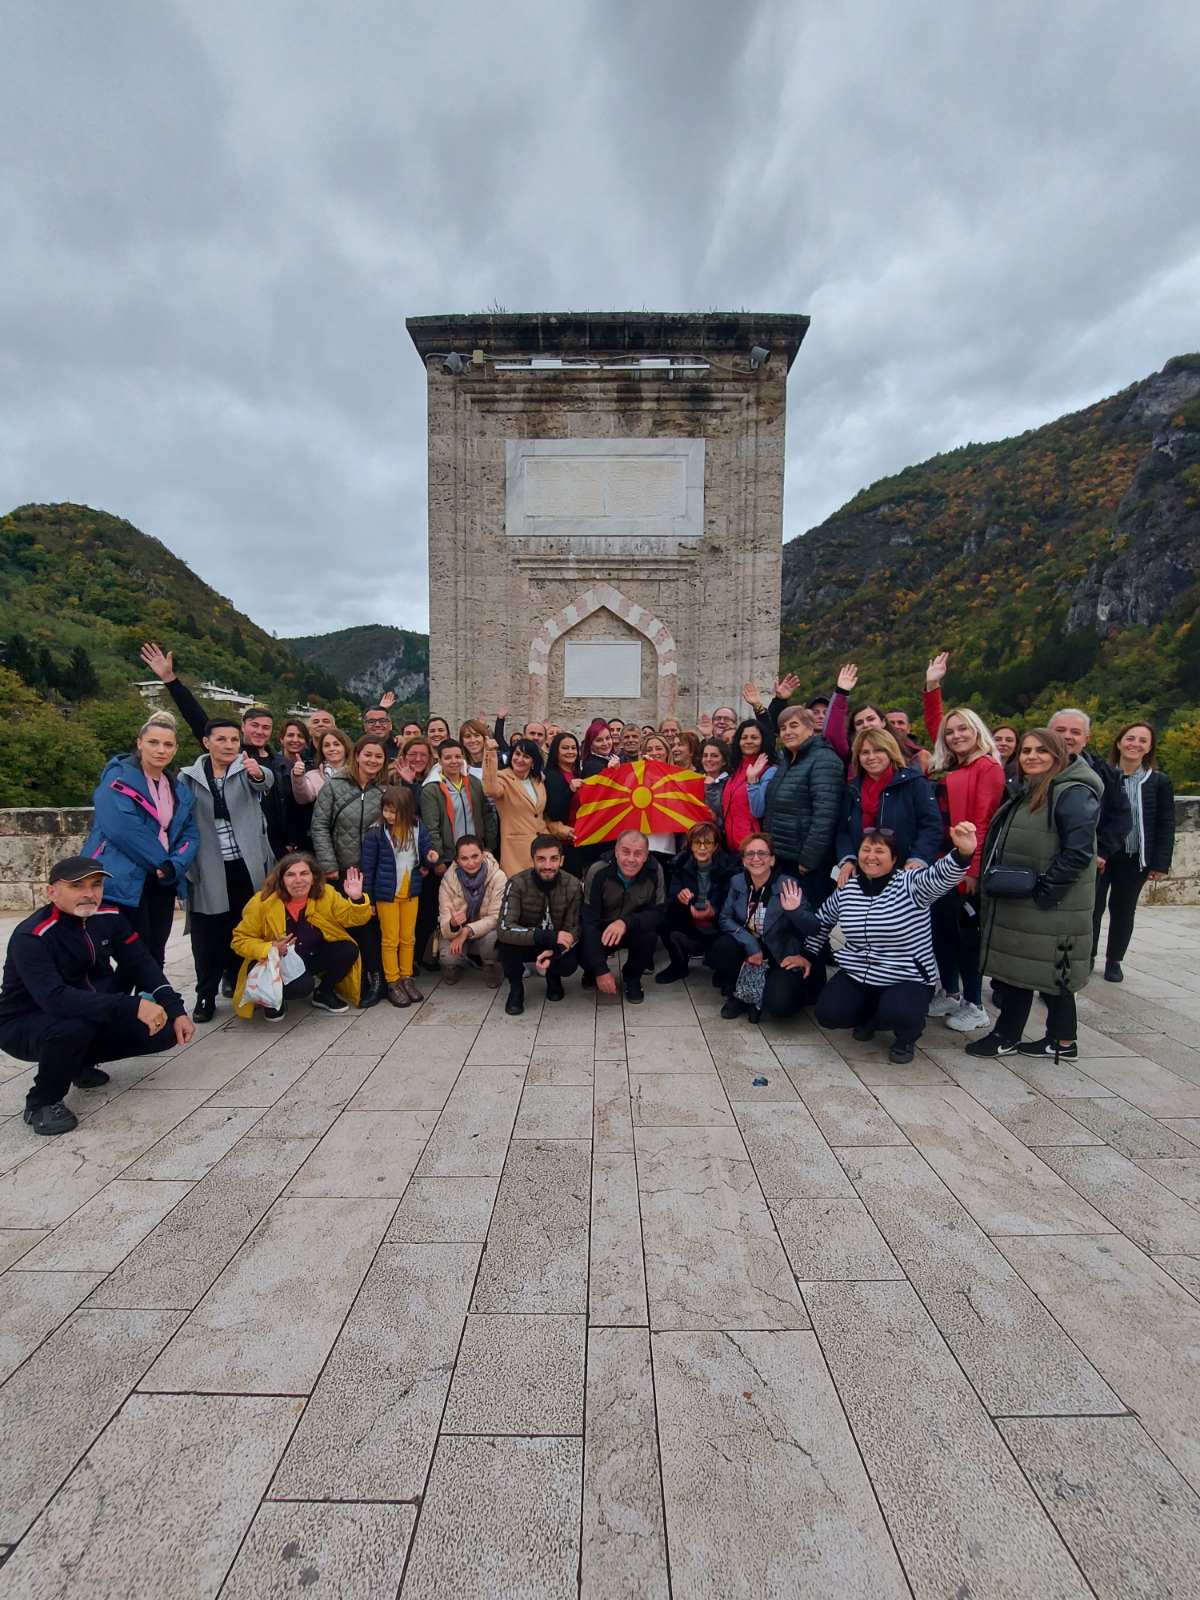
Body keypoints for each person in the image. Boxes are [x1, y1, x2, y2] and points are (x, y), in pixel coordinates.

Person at [0, 858, 193, 1135]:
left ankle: (77, 1063)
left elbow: (141, 963)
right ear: (52, 892)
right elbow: (55, 999)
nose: (89, 893)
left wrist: (176, 1010)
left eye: (96, 885)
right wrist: (132, 1005)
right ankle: (42, 1102)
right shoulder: (32, 935)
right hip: (25, 1022)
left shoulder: (109, 916)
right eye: (77, 886)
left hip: (86, 1010)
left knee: (165, 1030)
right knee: (73, 1027)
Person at [968, 729, 1103, 1060]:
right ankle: (1052, 1040)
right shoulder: (1034, 788)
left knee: (1047, 973)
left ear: (1058, 755)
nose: (1031, 756)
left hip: (1048, 904)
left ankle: (1019, 1037)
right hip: (1028, 901)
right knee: (1031, 970)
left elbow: (1078, 852)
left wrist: (1045, 892)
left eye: (1041, 750)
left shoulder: (1072, 793)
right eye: (1026, 750)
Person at [794, 823, 978, 1062]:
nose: (871, 856)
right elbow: (821, 923)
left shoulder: (911, 884)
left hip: (906, 976)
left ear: (894, 858)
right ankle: (870, 1017)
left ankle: (906, 1037)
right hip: (859, 973)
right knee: (829, 1013)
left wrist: (963, 854)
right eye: (866, 850)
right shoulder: (847, 889)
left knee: (899, 1013)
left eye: (879, 851)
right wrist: (807, 955)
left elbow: (939, 877)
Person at [138, 641, 288, 856]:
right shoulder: (228, 755)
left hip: (277, 847)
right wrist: (170, 680)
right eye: (254, 725)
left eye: (266, 727)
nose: (259, 731)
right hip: (240, 849)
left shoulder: (280, 761)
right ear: (243, 726)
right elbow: (195, 716)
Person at [921, 665, 1007, 1033]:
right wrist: (932, 685)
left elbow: (983, 821)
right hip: (941, 862)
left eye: (963, 730)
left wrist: (971, 870)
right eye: (951, 731)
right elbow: (936, 725)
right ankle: (950, 991)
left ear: (977, 732)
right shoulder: (953, 764)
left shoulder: (987, 767)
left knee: (965, 936)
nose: (956, 736)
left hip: (962, 862)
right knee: (941, 931)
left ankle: (974, 1003)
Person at [83, 710, 199, 966]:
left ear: (175, 749)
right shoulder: (117, 779)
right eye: (153, 742)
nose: (161, 750)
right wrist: (162, 862)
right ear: (139, 743)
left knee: (156, 952)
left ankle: (153, 992)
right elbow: (123, 829)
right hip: (125, 878)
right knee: (133, 956)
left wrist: (175, 864)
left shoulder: (177, 790)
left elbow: (189, 832)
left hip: (162, 879)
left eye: (168, 744)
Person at [179, 717, 275, 1023]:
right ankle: (205, 994)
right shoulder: (188, 777)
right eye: (221, 739)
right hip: (208, 866)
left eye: (234, 739)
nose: (229, 745)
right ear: (206, 742)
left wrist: (258, 772)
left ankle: (240, 981)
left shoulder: (246, 769)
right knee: (207, 933)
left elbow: (266, 781)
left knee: (244, 925)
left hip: (246, 863)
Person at [231, 854, 373, 1020]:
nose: (298, 880)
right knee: (301, 986)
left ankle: (323, 992)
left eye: (304, 873)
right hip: (273, 963)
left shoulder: (326, 894)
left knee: (348, 949)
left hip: (309, 955)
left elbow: (352, 919)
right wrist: (270, 948)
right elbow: (239, 940)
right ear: (281, 880)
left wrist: (357, 898)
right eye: (291, 875)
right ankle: (272, 999)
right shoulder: (262, 902)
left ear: (313, 878)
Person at [709, 833, 824, 1022]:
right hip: (749, 950)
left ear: (772, 859)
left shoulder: (789, 885)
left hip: (781, 954)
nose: (756, 858)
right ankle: (739, 993)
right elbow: (724, 918)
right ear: (743, 860)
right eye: (750, 854)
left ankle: (762, 990)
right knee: (721, 947)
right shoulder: (737, 882)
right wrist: (751, 944)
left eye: (762, 853)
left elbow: (814, 929)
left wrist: (795, 912)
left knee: (780, 1005)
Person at [1092, 722, 1175, 981]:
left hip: (1135, 857)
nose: (1135, 744)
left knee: (1123, 910)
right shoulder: (1101, 775)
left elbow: (1165, 823)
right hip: (1102, 855)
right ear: (1119, 742)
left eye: (1142, 740)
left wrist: (1160, 863)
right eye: (1130, 738)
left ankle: (1114, 960)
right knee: (1092, 908)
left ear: (1149, 748)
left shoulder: (1158, 781)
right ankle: (1087, 956)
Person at [311, 735, 389, 1007]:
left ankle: (378, 977)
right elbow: (319, 825)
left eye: (378, 756)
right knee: (354, 926)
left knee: (374, 925)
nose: (372, 760)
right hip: (343, 870)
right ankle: (360, 978)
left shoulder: (385, 788)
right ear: (356, 754)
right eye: (368, 754)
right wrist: (329, 865)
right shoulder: (335, 785)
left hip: (374, 869)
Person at [749, 705, 843, 893]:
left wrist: (809, 859)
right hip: (782, 858)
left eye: (794, 726)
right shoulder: (787, 761)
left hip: (804, 864)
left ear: (810, 728)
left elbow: (825, 817)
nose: (787, 732)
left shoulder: (824, 760)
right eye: (783, 728)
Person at [834, 728, 942, 886]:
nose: (871, 757)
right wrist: (848, 860)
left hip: (906, 875)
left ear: (890, 751)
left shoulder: (914, 783)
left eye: (878, 750)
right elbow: (842, 831)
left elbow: (931, 825)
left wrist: (918, 858)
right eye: (865, 752)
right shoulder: (852, 789)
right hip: (863, 876)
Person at [362, 784, 437, 1007]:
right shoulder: (376, 832)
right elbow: (368, 868)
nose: (388, 815)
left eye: (393, 811)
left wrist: (430, 857)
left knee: (408, 937)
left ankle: (406, 977)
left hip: (410, 891)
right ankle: (392, 981)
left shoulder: (417, 826)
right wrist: (369, 899)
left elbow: (425, 851)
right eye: (386, 810)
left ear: (406, 810)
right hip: (386, 894)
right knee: (390, 939)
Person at [496, 834, 583, 1014]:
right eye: (541, 859)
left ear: (562, 860)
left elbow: (574, 927)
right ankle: (516, 988)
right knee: (506, 945)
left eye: (554, 859)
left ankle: (553, 977)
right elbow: (504, 928)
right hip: (528, 940)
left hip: (554, 944)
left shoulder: (573, 885)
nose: (548, 865)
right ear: (533, 860)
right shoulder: (516, 883)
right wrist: (545, 936)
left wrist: (557, 950)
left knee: (569, 962)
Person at [580, 830, 665, 1003]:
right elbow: (589, 921)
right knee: (582, 947)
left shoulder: (655, 870)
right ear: (616, 851)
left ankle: (632, 978)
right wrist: (601, 970)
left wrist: (625, 922)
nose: (631, 859)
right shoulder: (597, 871)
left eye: (638, 854)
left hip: (633, 926)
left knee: (649, 935)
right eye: (625, 852)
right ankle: (592, 971)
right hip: (602, 928)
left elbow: (658, 912)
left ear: (646, 856)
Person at [1048, 707, 1134, 876]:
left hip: (1085, 862)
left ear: (1086, 740)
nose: (1067, 736)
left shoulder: (1106, 774)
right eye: (1060, 730)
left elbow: (1121, 817)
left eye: (1075, 732)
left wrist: (1101, 851)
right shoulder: (1030, 769)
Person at [657, 820, 738, 983]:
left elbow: (734, 907)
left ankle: (721, 965)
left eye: (707, 843)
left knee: (728, 940)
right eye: (697, 843)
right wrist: (681, 899)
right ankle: (679, 964)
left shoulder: (729, 869)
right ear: (690, 845)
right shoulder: (680, 864)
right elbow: (671, 899)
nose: (702, 847)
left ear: (716, 846)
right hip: (691, 922)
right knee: (661, 916)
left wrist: (713, 912)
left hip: (719, 926)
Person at [438, 833, 507, 986]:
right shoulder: (448, 880)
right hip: (458, 933)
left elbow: (496, 917)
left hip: (485, 931)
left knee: (492, 941)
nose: (471, 863)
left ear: (483, 854)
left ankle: (491, 966)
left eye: (475, 856)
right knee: (448, 958)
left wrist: (467, 930)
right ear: (457, 860)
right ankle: (457, 964)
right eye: (464, 858)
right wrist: (453, 924)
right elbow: (444, 922)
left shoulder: (498, 876)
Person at [421, 739, 498, 862]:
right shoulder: (431, 790)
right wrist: (439, 859)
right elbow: (432, 828)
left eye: (458, 757)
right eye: (448, 758)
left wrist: (489, 847)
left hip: (478, 853)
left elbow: (487, 816)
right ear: (439, 761)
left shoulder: (475, 783)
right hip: (449, 857)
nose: (454, 761)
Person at [484, 735, 548, 877]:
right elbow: (490, 789)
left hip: (541, 849)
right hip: (516, 852)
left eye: (526, 756)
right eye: (517, 754)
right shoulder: (502, 777)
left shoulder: (537, 781)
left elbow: (538, 815)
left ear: (533, 762)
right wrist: (490, 753)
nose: (519, 759)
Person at [723, 720, 776, 853]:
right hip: (731, 847)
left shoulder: (769, 771)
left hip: (753, 849)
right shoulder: (735, 770)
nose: (748, 741)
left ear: (763, 741)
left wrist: (752, 781)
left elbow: (758, 811)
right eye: (744, 737)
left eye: (754, 737)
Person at [274, 718, 317, 853]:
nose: (295, 740)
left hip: (306, 837)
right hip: (281, 838)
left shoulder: (312, 767)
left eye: (300, 736)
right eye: (290, 735)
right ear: (281, 739)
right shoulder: (272, 766)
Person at [883, 708, 933, 774]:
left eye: (900, 723)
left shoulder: (923, 755)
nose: (896, 726)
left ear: (909, 728)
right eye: (891, 723)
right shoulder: (874, 753)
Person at [699, 738, 731, 826]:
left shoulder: (730, 783)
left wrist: (710, 787)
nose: (708, 759)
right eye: (705, 755)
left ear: (724, 761)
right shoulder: (696, 780)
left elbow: (721, 815)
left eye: (714, 756)